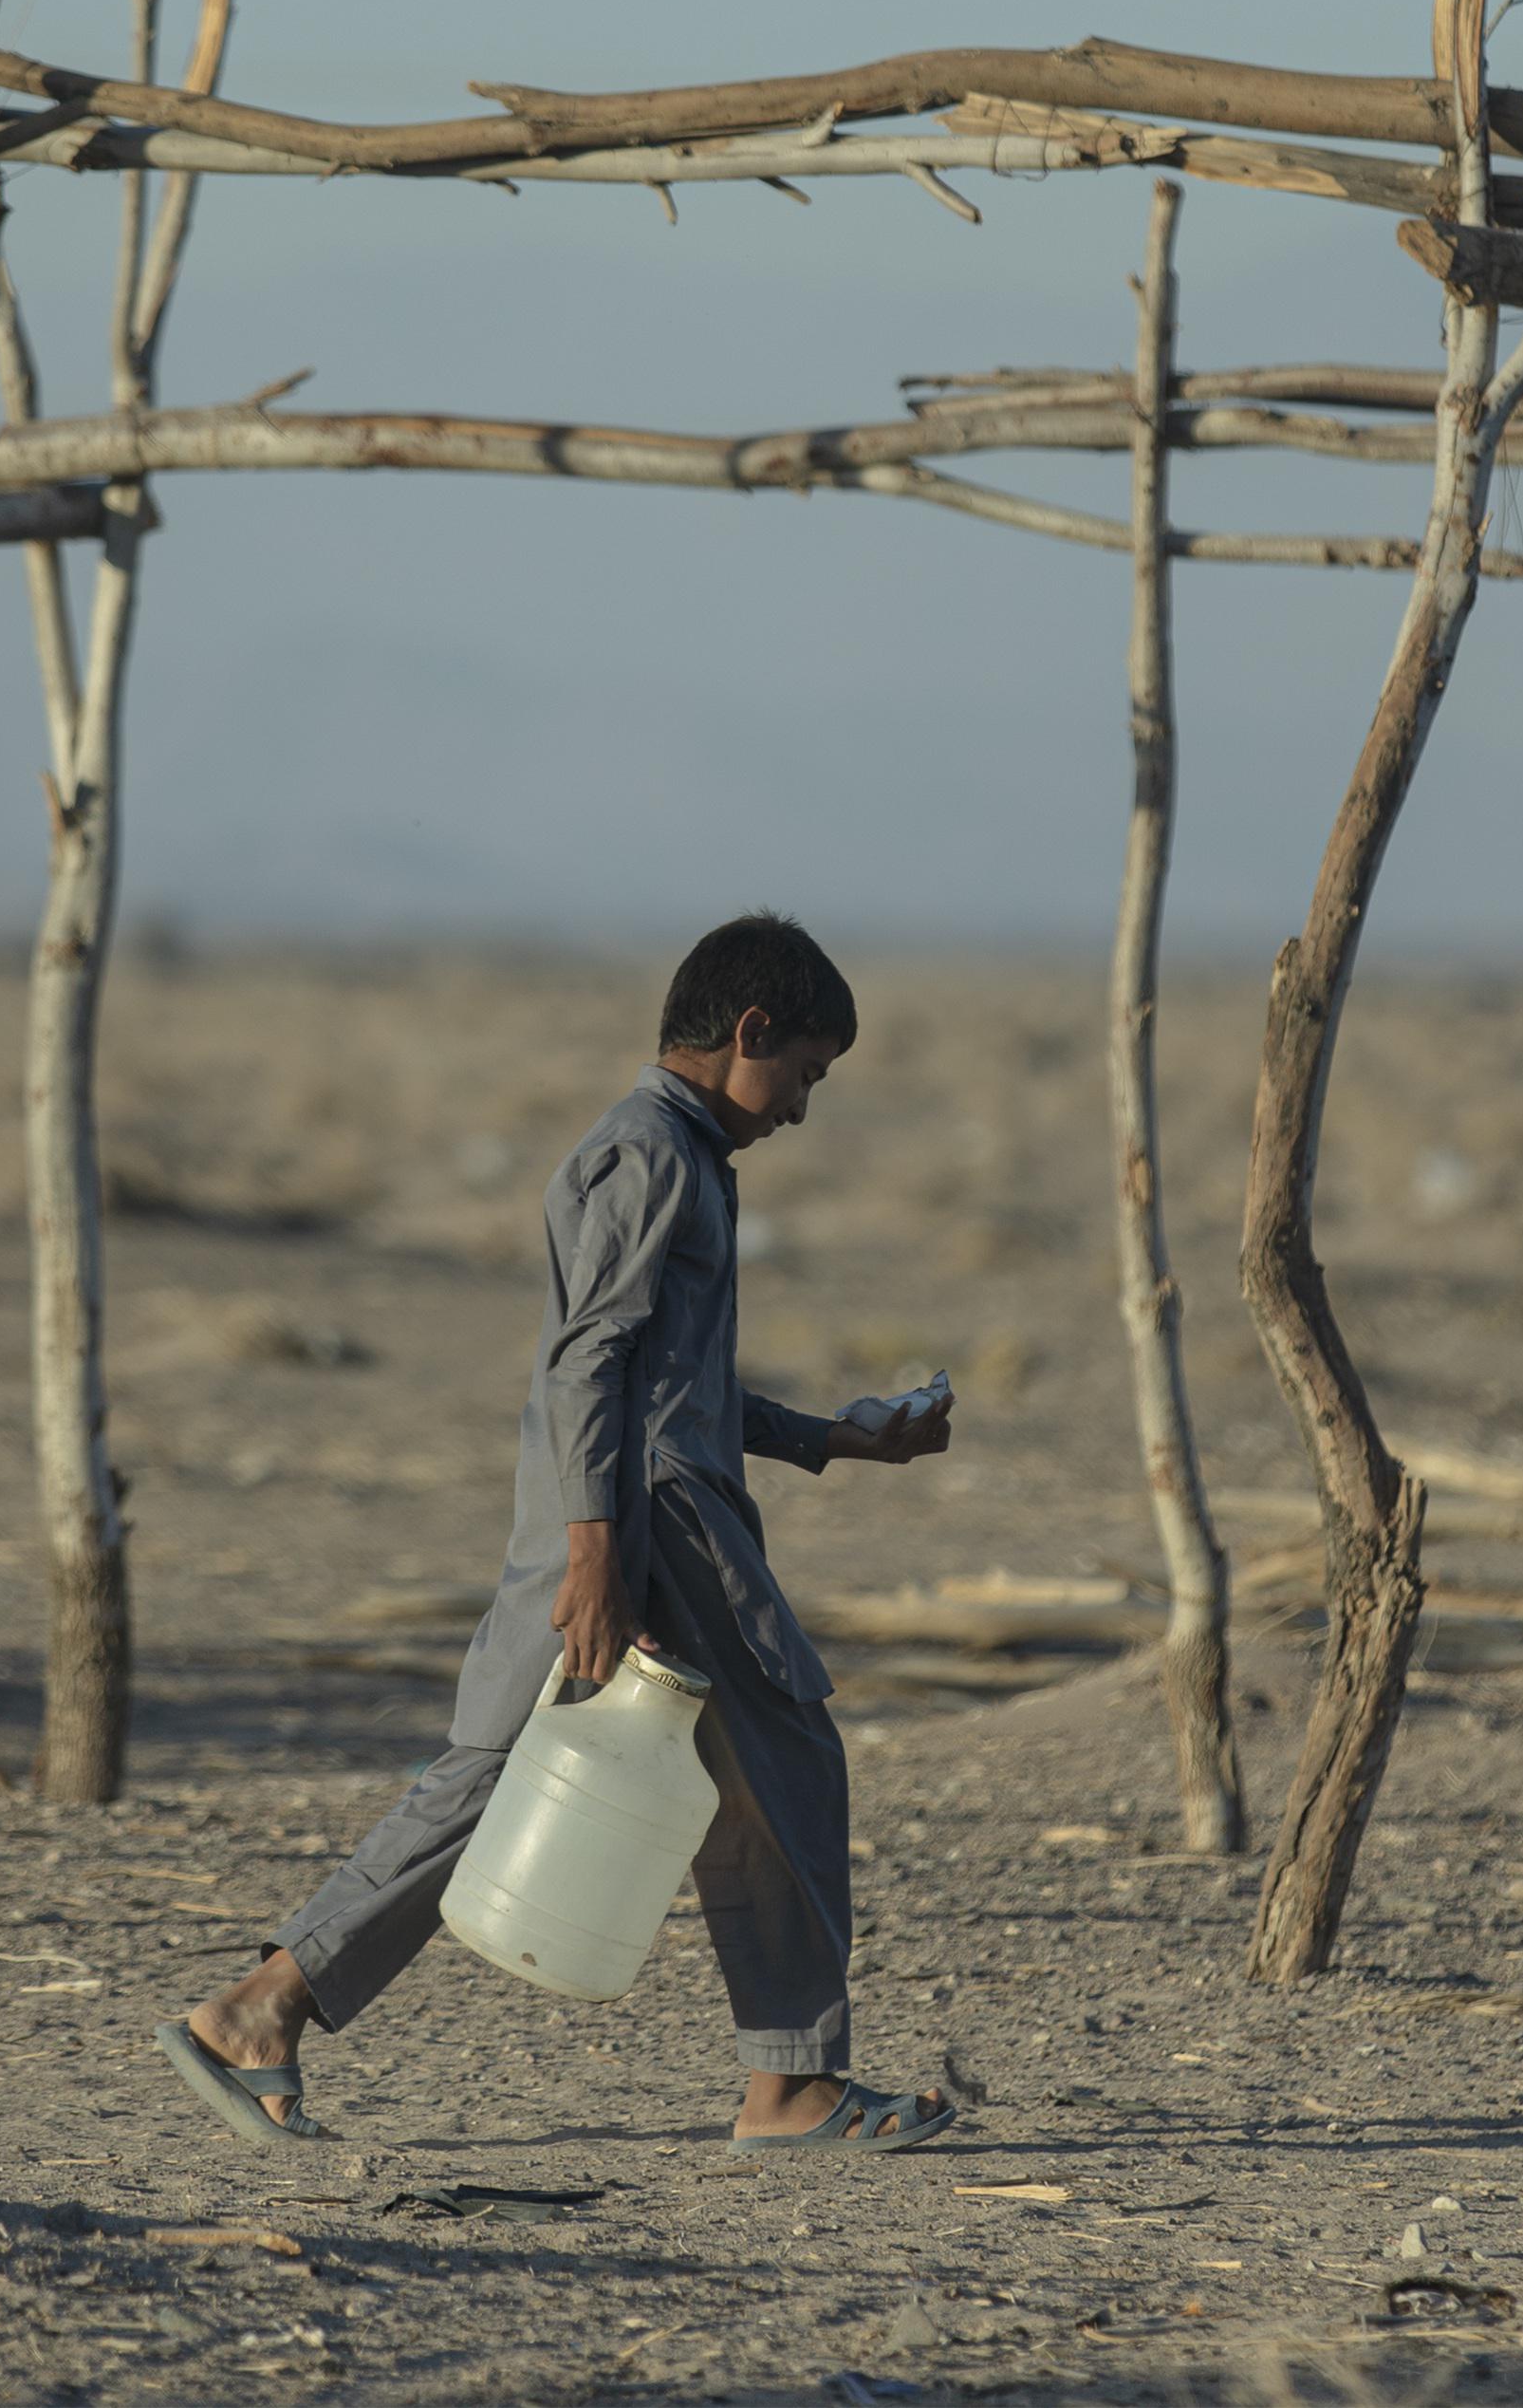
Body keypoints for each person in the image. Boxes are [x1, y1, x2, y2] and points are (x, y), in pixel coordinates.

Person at [157, 912, 960, 2155]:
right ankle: (788, 2085)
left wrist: (841, 1438)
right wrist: (595, 1559)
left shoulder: (679, 1157)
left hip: (634, 1522)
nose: (803, 1104)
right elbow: (589, 1362)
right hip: (647, 1537)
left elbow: (670, 1385)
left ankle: (262, 2010)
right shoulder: (650, 1156)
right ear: (748, 1033)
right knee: (773, 1762)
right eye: (805, 1070)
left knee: (561, 1778)